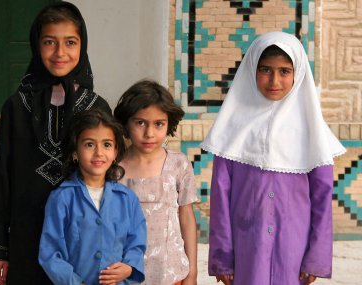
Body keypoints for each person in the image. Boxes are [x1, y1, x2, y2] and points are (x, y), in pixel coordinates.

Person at [0, 2, 111, 284]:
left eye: (70, 42)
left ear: (82, 45)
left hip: (83, 240)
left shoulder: (97, 109)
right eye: (49, 42)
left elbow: (109, 180)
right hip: (28, 238)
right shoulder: (16, 107)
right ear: (36, 45)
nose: (60, 53)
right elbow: (3, 176)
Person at [202, 31, 346, 285]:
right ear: (251, 71)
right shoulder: (231, 129)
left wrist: (316, 257)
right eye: (265, 70)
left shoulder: (312, 133)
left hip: (294, 250)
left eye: (284, 71)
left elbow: (323, 199)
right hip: (245, 248)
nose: (274, 80)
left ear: (298, 73)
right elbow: (220, 197)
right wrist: (222, 258)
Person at [38, 109, 146, 285]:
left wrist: (129, 267)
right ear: (75, 152)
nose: (98, 153)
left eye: (107, 145)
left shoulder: (128, 199)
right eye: (89, 144)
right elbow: (50, 253)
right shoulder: (61, 199)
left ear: (116, 152)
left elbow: (137, 243)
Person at [114, 80, 199, 285]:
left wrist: (193, 271)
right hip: (126, 274)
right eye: (140, 122)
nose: (149, 133)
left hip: (171, 272)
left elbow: (186, 218)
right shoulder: (114, 168)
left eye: (158, 124)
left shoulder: (179, 164)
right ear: (126, 122)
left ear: (169, 123)